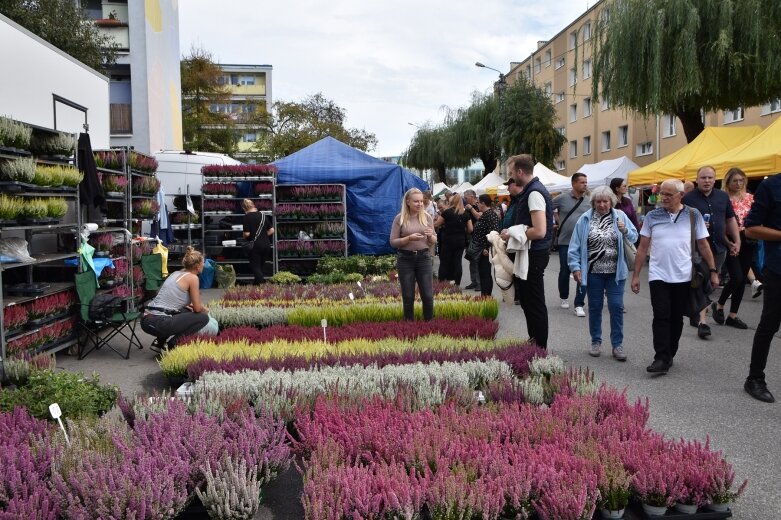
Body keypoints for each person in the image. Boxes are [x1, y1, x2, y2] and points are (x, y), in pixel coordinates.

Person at [631, 179, 720, 374]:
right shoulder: (652, 216)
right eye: (662, 193)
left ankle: (670, 352)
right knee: (661, 316)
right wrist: (636, 275)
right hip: (658, 275)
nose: (663, 197)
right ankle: (661, 357)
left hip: (684, 275)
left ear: (681, 195)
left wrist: (713, 271)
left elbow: (703, 245)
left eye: (668, 194)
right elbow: (643, 247)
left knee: (676, 317)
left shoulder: (692, 215)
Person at [568, 186, 638, 360]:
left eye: (605, 201)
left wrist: (625, 230)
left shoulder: (620, 217)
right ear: (593, 203)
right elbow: (574, 246)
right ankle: (596, 341)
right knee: (595, 307)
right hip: (593, 273)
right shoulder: (584, 219)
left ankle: (617, 345)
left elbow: (635, 236)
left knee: (616, 307)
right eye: (598, 201)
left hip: (616, 272)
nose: (601, 205)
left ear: (611, 202)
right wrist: (575, 267)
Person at [500, 154, 554, 348]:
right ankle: (534, 342)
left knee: (534, 303)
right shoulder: (531, 191)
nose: (511, 176)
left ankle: (539, 346)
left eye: (512, 172)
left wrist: (514, 233)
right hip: (531, 253)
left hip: (534, 254)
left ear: (520, 172)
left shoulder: (534, 193)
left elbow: (539, 231)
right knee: (529, 302)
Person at [682, 165, 740, 339]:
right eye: (703, 178)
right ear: (697, 179)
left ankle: (698, 312)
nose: (707, 181)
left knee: (711, 282)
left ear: (715, 179)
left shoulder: (722, 197)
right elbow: (679, 221)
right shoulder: (688, 199)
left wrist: (736, 240)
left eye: (710, 178)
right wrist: (695, 225)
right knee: (702, 281)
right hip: (697, 248)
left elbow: (730, 219)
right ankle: (702, 322)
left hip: (719, 247)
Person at [743, 173, 781, 403]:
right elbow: (751, 229)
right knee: (769, 324)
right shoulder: (770, 186)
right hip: (778, 268)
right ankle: (755, 379)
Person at [140, 246, 211, 348]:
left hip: (146, 320)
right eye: (203, 262)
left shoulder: (176, 273)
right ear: (197, 266)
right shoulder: (193, 278)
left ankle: (159, 343)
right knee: (203, 318)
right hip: (158, 322)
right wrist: (205, 309)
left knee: (185, 310)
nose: (204, 265)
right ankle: (171, 346)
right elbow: (197, 308)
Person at [712, 168, 755, 329]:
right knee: (736, 277)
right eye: (734, 181)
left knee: (742, 279)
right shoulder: (723, 199)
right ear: (728, 182)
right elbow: (721, 222)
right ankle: (720, 303)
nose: (738, 184)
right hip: (729, 238)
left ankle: (733, 315)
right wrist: (729, 241)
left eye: (741, 180)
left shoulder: (750, 198)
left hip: (748, 239)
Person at [390, 188, 437, 321]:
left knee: (427, 295)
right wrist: (408, 239)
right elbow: (393, 242)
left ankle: (429, 324)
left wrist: (431, 237)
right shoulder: (399, 218)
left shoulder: (427, 217)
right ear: (408, 202)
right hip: (405, 259)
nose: (420, 204)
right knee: (408, 295)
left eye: (421, 201)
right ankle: (409, 324)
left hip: (423, 258)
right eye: (416, 201)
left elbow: (433, 241)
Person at [553, 172, 590, 316]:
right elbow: (545, 208)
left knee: (583, 271)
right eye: (582, 182)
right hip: (565, 241)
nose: (585, 185)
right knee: (565, 270)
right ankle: (564, 296)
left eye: (586, 182)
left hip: (584, 242)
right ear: (573, 183)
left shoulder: (589, 200)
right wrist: (552, 223)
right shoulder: (562, 198)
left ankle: (579, 304)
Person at [434, 193, 472, 285]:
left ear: (451, 202)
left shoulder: (447, 212)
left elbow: (436, 224)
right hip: (460, 240)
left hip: (448, 240)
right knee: (457, 262)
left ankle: (441, 282)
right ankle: (457, 282)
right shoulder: (465, 213)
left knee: (444, 261)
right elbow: (470, 229)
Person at [471, 194, 501, 297]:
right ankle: (484, 294)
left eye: (478, 202)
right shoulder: (485, 214)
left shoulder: (490, 215)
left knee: (485, 273)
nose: (477, 204)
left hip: (485, 249)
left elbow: (494, 232)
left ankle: (486, 296)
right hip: (481, 248)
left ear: (483, 203)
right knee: (483, 272)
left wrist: (487, 248)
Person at [242, 198, 274, 284]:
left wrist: (244, 236)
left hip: (255, 246)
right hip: (266, 245)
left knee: (255, 267)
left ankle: (263, 285)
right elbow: (272, 230)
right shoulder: (263, 215)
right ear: (253, 205)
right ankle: (256, 285)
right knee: (260, 267)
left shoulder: (247, 217)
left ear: (245, 208)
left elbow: (247, 234)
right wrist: (262, 235)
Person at [502, 177, 524, 304]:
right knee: (511, 267)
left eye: (509, 186)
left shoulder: (521, 200)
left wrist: (510, 232)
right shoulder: (513, 201)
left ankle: (519, 295)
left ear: (515, 185)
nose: (507, 189)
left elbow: (519, 221)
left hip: (516, 239)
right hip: (509, 239)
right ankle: (513, 293)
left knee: (517, 268)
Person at [462, 190, 483, 291]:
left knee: (476, 260)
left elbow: (479, 216)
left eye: (466, 198)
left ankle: (479, 283)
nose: (465, 200)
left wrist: (471, 209)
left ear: (472, 197)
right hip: (469, 237)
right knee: (472, 260)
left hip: (478, 237)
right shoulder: (467, 207)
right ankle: (474, 281)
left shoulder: (479, 204)